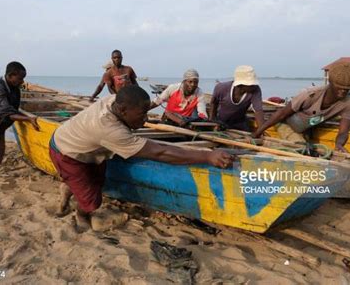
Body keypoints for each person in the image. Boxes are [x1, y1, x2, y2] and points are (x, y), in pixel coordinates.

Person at [49, 85, 233, 230]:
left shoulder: (114, 101)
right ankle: (82, 215)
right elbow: (160, 152)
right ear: (122, 110)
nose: (145, 119)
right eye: (141, 114)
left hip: (81, 145)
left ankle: (67, 187)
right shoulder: (109, 129)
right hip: (68, 153)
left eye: (146, 112)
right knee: (91, 201)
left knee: (96, 181)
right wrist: (208, 156)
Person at [253, 61, 350, 153]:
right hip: (286, 124)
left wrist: (339, 145)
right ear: (330, 82)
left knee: (311, 150)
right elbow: (282, 114)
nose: (343, 92)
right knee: (300, 148)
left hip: (307, 128)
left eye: (347, 89)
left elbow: (343, 131)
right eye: (339, 87)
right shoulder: (310, 94)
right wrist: (258, 132)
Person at [209, 65, 264, 131]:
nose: (254, 86)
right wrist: (212, 119)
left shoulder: (255, 89)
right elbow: (213, 103)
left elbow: (258, 110)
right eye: (251, 84)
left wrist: (261, 130)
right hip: (221, 121)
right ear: (240, 85)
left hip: (240, 122)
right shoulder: (221, 88)